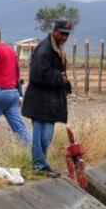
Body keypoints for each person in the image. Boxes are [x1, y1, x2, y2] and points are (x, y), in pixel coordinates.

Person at [21, 19, 73, 177]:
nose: (64, 37)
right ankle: (39, 166)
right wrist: (60, 78)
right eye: (62, 33)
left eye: (67, 34)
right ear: (54, 30)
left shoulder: (57, 48)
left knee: (46, 136)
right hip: (39, 99)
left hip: (50, 100)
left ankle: (40, 164)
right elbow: (37, 74)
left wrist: (62, 81)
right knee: (40, 136)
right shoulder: (44, 49)